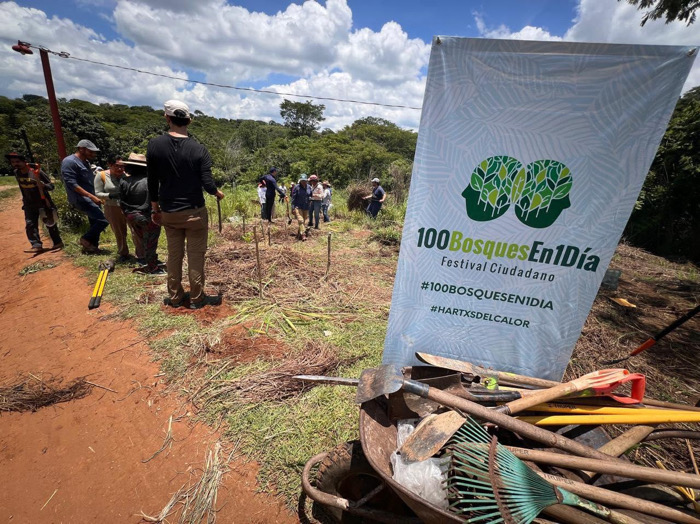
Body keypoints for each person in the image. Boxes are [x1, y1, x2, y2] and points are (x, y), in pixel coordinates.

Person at [147, 99, 224, 309]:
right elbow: (207, 183)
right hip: (194, 213)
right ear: (189, 121)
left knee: (174, 255)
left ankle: (175, 296)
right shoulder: (199, 149)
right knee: (196, 255)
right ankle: (197, 298)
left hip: (169, 212)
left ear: (167, 118)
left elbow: (152, 181)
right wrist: (217, 192)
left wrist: (155, 208)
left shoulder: (154, 145)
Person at [5, 152, 63, 252]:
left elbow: (51, 186)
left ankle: (57, 242)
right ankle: (36, 245)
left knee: (50, 223)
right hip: (29, 203)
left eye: (17, 161)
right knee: (30, 224)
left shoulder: (37, 172)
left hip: (43, 202)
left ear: (24, 161)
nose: (15, 164)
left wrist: (43, 185)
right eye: (13, 162)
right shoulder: (16, 173)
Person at [61, 139, 109, 253]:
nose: (93, 154)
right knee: (103, 220)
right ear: (81, 149)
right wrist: (91, 197)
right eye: (90, 151)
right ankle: (85, 239)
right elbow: (71, 184)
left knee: (94, 221)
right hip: (81, 198)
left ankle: (92, 248)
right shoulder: (69, 162)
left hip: (91, 197)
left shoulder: (85, 162)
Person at [119, 153, 163, 275]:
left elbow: (121, 201)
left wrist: (126, 214)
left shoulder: (124, 180)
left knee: (143, 240)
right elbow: (156, 200)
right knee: (151, 242)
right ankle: (152, 267)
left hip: (131, 215)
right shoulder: (150, 181)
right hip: (147, 216)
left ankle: (148, 260)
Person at [94, 155, 143, 262]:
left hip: (129, 206)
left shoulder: (127, 176)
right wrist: (109, 196)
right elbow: (97, 193)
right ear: (110, 165)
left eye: (122, 166)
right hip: (112, 207)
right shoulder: (101, 175)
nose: (120, 169)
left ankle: (141, 255)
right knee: (119, 231)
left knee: (136, 230)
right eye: (117, 166)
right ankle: (123, 253)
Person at [291, 174, 310, 241]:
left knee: (304, 221)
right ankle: (303, 235)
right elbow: (293, 198)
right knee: (300, 220)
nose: (304, 182)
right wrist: (293, 208)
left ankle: (299, 233)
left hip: (306, 206)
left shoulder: (309, 187)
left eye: (305, 181)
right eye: (302, 181)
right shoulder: (296, 187)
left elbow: (310, 195)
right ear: (300, 181)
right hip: (298, 206)